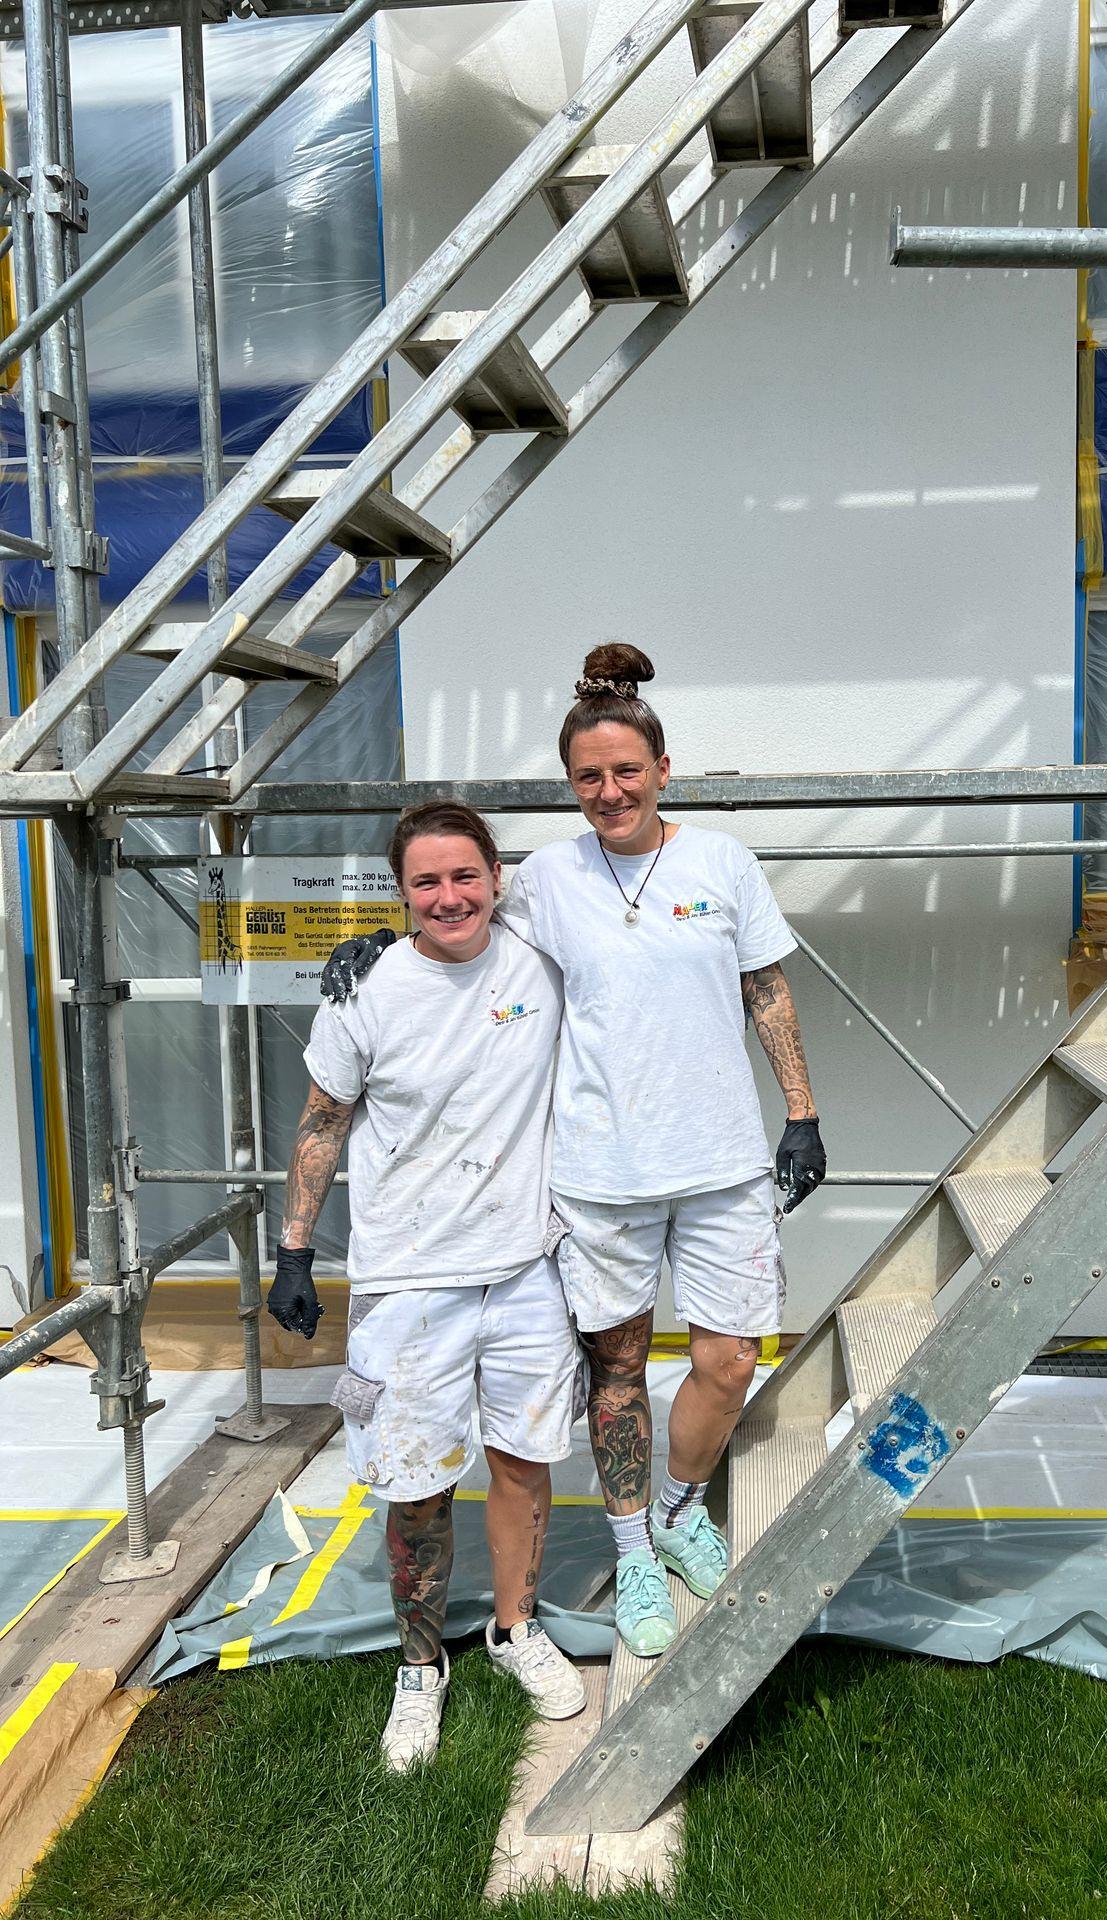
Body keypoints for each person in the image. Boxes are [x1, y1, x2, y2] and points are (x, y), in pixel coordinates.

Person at [323, 648, 827, 1662]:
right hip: (601, 1178)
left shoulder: (721, 864)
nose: (610, 792)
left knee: (731, 1362)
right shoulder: (550, 876)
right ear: (573, 786)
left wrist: (802, 1115)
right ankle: (635, 1546)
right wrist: (378, 940)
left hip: (723, 1161)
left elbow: (766, 989)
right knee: (620, 1371)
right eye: (589, 778)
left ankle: (681, 1506)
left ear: (663, 767)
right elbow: (452, 912)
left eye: (626, 771)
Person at [267, 798, 586, 1772]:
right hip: (407, 1283)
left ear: (498, 876)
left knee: (526, 1463)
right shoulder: (366, 993)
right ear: (400, 892)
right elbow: (325, 1122)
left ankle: (513, 1627)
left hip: (528, 1269)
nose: (449, 897)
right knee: (416, 1486)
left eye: (464, 876)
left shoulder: (545, 962)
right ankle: (420, 1664)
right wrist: (293, 1248)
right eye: (425, 882)